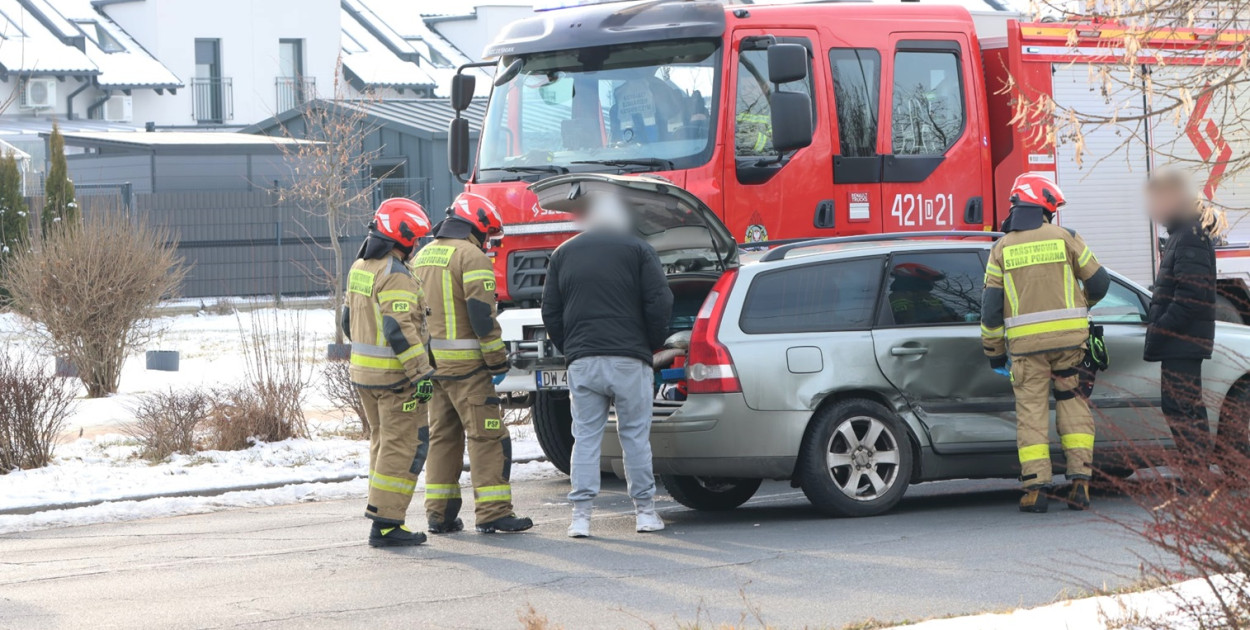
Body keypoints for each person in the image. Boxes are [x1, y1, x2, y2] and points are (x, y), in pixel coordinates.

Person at [540, 189, 673, 538]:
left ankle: (580, 518)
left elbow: (550, 312)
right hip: (630, 360)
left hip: (583, 361)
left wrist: (571, 348)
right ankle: (645, 513)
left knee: (584, 438)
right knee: (634, 438)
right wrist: (651, 345)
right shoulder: (640, 250)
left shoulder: (563, 254)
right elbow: (659, 302)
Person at [981, 174, 1110, 513]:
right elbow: (1100, 283)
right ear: (1044, 208)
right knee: (1072, 402)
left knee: (1032, 413)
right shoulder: (1066, 238)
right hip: (1070, 344)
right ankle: (1080, 481)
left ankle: (1036, 490)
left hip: (1025, 349)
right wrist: (1082, 307)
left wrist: (994, 354)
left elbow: (991, 309)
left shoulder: (1002, 248)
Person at [413, 192, 533, 534]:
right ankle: (493, 512)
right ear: (477, 226)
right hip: (469, 370)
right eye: (487, 234)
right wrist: (497, 362)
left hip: (433, 367)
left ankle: (439, 515)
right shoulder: (472, 257)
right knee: (487, 437)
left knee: (443, 439)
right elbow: (482, 316)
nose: (487, 241)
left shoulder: (422, 255)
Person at [342, 198, 437, 548]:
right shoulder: (394, 274)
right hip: (397, 382)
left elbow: (347, 322)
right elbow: (399, 330)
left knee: (382, 446)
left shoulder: (359, 268)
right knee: (404, 448)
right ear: (403, 238)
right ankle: (386, 524)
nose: (416, 246)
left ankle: (380, 512)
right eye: (415, 240)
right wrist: (422, 375)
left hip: (364, 376)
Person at [1143, 169, 1217, 465]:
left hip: (1182, 341)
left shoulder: (1189, 237)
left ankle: (1197, 474)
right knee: (1180, 407)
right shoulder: (1182, 235)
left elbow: (1190, 295)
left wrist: (1161, 327)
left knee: (1183, 407)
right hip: (1179, 341)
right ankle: (1197, 473)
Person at [888, 262, 958, 325]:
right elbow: (908, 322)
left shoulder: (927, 298)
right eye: (929, 280)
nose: (932, 283)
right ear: (918, 281)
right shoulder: (899, 298)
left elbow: (951, 316)